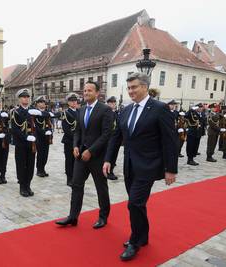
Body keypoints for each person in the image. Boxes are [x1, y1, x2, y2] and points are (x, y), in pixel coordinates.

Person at [102, 72, 178, 261]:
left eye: (134, 87)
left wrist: (171, 169)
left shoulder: (160, 108)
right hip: (129, 165)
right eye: (128, 88)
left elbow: (170, 141)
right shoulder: (126, 110)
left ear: (145, 86)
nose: (131, 91)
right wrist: (108, 159)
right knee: (138, 205)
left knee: (134, 203)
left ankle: (135, 241)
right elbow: (116, 137)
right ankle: (143, 236)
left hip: (149, 166)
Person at [55, 81, 114, 230]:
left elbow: (106, 134)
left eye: (89, 90)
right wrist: (75, 145)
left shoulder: (105, 110)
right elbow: (78, 131)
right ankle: (73, 217)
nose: (86, 93)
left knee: (101, 187)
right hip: (81, 155)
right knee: (76, 185)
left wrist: (91, 151)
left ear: (97, 93)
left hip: (97, 156)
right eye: (85, 90)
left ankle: (103, 217)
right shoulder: (80, 110)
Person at [10, 88, 42, 197]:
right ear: (19, 99)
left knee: (30, 165)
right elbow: (15, 129)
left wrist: (35, 138)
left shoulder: (33, 111)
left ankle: (28, 185)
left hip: (32, 144)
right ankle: (22, 186)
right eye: (24, 97)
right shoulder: (16, 112)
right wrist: (26, 137)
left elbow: (38, 126)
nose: (26, 98)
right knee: (21, 165)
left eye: (28, 97)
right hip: (21, 144)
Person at [60, 93, 79, 186]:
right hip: (69, 140)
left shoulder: (80, 111)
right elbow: (66, 129)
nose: (74, 102)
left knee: (77, 160)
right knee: (69, 160)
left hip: (78, 141)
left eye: (75, 100)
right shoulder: (66, 113)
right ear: (68, 102)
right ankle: (69, 178)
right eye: (72, 101)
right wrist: (75, 138)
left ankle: (75, 177)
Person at [33, 95, 53, 177]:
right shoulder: (34, 113)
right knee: (40, 154)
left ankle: (43, 168)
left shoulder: (48, 113)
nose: (42, 104)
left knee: (45, 154)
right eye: (40, 102)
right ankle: (39, 170)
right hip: (39, 136)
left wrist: (50, 132)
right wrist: (44, 132)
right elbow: (35, 126)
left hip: (47, 137)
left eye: (44, 102)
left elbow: (50, 124)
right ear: (37, 104)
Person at [106, 96, 120, 180]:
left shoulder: (116, 113)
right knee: (109, 156)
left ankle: (111, 170)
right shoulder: (106, 113)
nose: (113, 104)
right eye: (111, 103)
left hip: (116, 139)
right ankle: (108, 172)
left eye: (114, 103)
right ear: (108, 103)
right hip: (109, 139)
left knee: (114, 155)